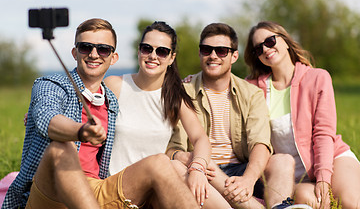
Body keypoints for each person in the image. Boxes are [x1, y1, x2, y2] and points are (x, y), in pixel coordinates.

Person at [2, 18, 201, 209]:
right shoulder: (51, 85)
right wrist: (80, 131)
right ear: (74, 52)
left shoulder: (111, 101)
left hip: (95, 191)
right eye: (85, 47)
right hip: (49, 193)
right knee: (61, 148)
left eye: (103, 49)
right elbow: (48, 118)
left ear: (113, 58)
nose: (94, 54)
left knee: (160, 162)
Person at [167, 23, 310, 209]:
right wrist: (195, 161)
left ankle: (278, 205)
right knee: (203, 162)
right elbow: (173, 148)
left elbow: (260, 143)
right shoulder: (182, 93)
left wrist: (248, 180)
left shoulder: (251, 93)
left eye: (221, 51)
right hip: (201, 168)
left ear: (234, 56)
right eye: (206, 49)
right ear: (200, 53)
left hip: (241, 168)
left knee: (283, 161)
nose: (213, 56)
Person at [105, 21, 231, 208]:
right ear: (139, 51)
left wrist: (197, 168)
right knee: (173, 166)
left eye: (161, 51)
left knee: (180, 167)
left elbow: (200, 139)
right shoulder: (115, 85)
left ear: (171, 58)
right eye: (147, 48)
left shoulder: (174, 96)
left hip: (155, 191)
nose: (153, 56)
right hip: (119, 188)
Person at [244, 20, 360, 209]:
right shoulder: (252, 88)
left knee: (350, 203)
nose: (265, 49)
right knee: (306, 199)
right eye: (258, 48)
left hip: (330, 159)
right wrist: (191, 82)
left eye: (270, 41)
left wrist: (323, 177)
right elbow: (222, 84)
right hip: (293, 174)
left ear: (286, 40)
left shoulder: (317, 78)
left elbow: (323, 132)